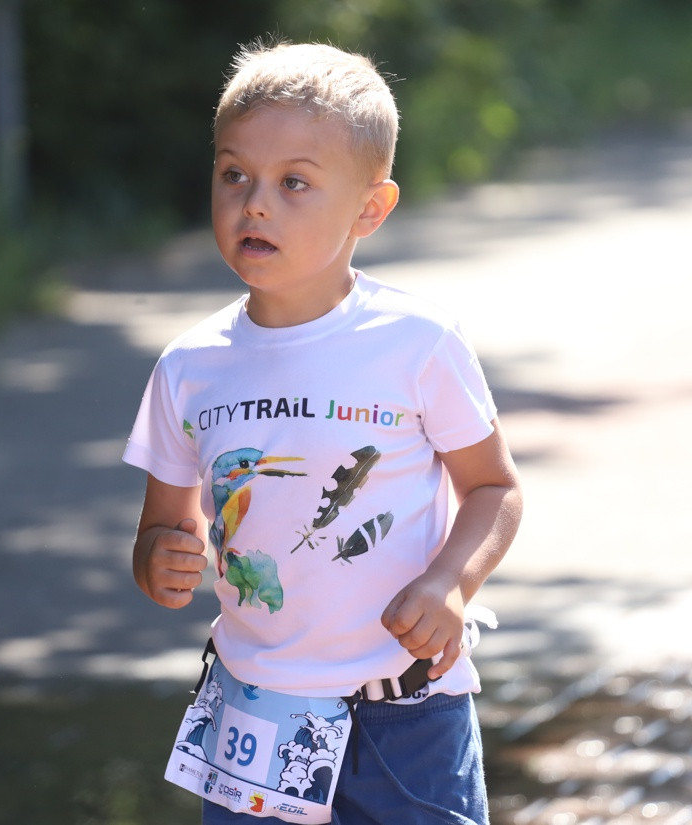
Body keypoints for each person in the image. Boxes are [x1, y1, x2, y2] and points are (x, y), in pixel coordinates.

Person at [123, 39, 522, 825]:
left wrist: (451, 583)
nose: (254, 203)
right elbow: (163, 531)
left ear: (370, 208)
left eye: (294, 182)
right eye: (234, 174)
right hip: (254, 718)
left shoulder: (417, 342)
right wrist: (157, 559)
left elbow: (495, 488)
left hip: (409, 718)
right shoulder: (188, 366)